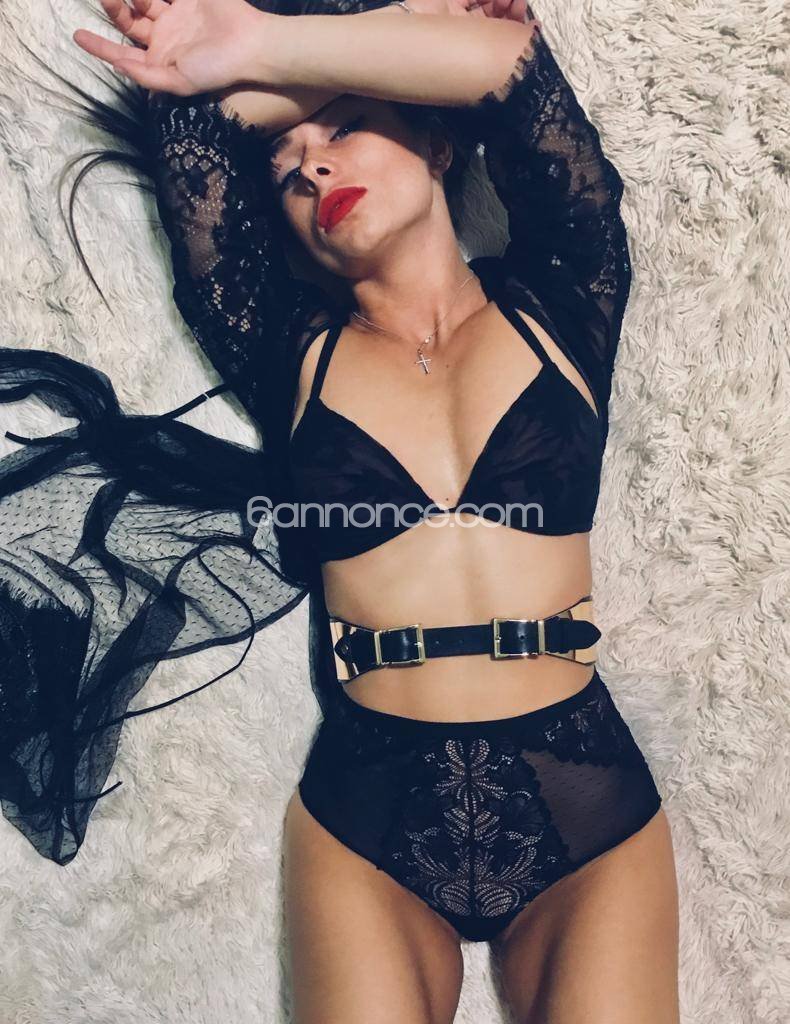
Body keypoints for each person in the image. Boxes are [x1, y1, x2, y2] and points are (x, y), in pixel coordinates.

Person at [0, 1, 680, 1020]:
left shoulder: (565, 298)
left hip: (585, 799)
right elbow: (190, 130)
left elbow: (511, 69)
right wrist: (297, 76)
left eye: (347, 128)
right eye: (287, 170)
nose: (314, 167)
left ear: (439, 142)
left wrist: (266, 47)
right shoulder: (284, 346)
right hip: (369, 814)